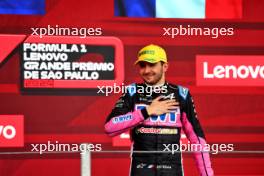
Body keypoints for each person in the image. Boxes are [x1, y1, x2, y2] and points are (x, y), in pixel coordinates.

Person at [104, 44, 214, 176]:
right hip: (141, 170)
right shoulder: (132, 92)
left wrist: (207, 174)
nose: (146, 70)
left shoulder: (181, 94)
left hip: (172, 171)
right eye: (143, 65)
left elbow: (197, 139)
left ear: (165, 66)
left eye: (152, 65)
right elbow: (110, 127)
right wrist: (146, 112)